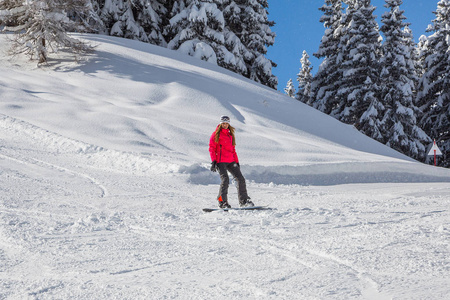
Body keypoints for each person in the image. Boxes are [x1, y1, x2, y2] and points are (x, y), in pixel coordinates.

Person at [209, 115, 254, 208]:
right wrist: (213, 161)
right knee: (225, 180)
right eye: (223, 123)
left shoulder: (230, 135)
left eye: (226, 123)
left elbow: (233, 150)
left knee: (240, 179)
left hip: (231, 161)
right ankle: (222, 201)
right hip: (220, 162)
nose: (225, 125)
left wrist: (237, 162)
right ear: (220, 124)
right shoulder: (216, 134)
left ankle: (244, 201)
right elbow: (212, 148)